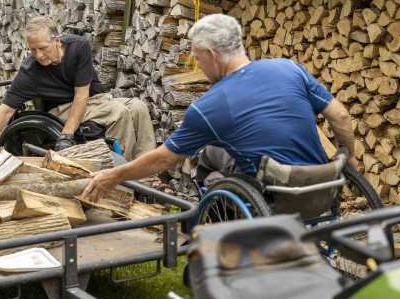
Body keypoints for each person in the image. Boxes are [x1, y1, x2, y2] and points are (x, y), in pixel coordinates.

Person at [81, 13, 358, 204]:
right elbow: (341, 116)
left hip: (275, 197)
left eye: (198, 59)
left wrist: (113, 175)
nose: (198, 67)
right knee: (215, 151)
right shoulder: (289, 68)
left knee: (208, 154)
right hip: (323, 188)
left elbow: (164, 160)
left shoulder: (209, 106)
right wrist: (352, 159)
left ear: (212, 55)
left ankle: (215, 210)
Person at [0, 16, 156, 164]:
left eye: (43, 48)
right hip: (61, 109)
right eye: (33, 49)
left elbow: (82, 94)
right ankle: (124, 176)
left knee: (138, 107)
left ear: (58, 40)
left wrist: (67, 135)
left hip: (95, 100)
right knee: (118, 112)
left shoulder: (78, 47)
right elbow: (6, 109)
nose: (38, 55)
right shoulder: (30, 72)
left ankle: (146, 170)